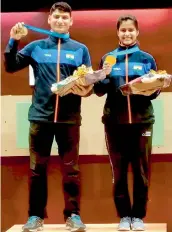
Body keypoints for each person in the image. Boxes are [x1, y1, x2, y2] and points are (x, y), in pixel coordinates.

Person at [4, 2, 94, 232]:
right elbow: (11, 66)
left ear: (71, 21)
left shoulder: (80, 49)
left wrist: (87, 85)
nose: (61, 21)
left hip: (69, 119)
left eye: (65, 17)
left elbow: (89, 84)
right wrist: (13, 41)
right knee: (37, 170)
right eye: (57, 17)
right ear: (50, 20)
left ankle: (73, 216)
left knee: (71, 170)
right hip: (40, 118)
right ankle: (35, 217)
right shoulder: (36, 47)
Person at [94, 14, 161, 231]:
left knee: (141, 171)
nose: (127, 33)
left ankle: (139, 217)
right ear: (117, 33)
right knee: (119, 172)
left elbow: (153, 94)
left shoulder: (146, 59)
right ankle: (124, 216)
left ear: (137, 32)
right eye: (123, 30)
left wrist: (156, 85)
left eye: (131, 30)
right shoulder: (107, 58)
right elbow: (98, 91)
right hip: (115, 125)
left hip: (142, 123)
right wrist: (103, 76)